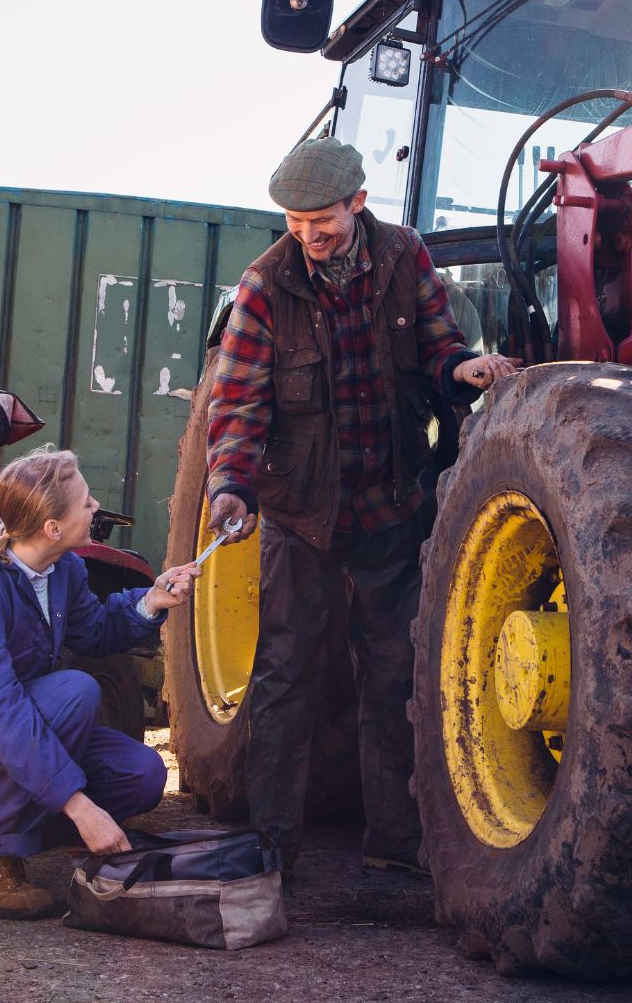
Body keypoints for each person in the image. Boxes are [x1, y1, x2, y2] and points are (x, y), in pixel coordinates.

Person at [206, 137, 517, 877]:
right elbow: (239, 403)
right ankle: (274, 847)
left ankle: (396, 844)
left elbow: (440, 347)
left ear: (359, 203)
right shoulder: (264, 286)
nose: (309, 235)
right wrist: (228, 487)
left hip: (387, 504)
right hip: (300, 517)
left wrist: (464, 367)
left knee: (395, 671)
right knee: (285, 676)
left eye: (323, 219)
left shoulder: (406, 257)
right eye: (295, 221)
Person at [0, 448, 201, 919]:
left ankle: (19, 832)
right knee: (75, 692)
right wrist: (81, 807)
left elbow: (96, 630)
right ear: (52, 528)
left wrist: (153, 600)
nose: (96, 507)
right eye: (86, 502)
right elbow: (2, 713)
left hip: (20, 727)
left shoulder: (63, 570)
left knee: (142, 775)